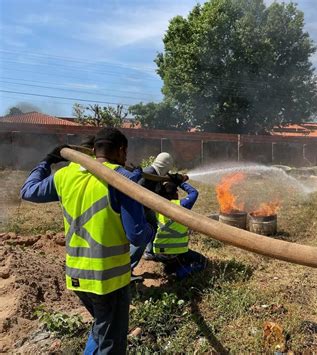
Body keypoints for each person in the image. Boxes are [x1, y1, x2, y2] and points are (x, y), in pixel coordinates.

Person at [20, 127, 155, 355]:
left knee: (102, 329)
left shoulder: (64, 175)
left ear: (93, 150)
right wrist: (150, 219)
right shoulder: (122, 179)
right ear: (122, 151)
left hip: (76, 277)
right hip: (108, 280)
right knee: (111, 344)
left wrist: (46, 161)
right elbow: (138, 236)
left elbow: (28, 190)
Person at [153, 180, 207, 279]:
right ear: (176, 194)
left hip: (158, 253)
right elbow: (194, 192)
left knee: (179, 260)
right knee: (202, 261)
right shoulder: (182, 205)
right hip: (175, 252)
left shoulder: (156, 205)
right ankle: (178, 274)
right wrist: (180, 181)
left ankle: (169, 267)